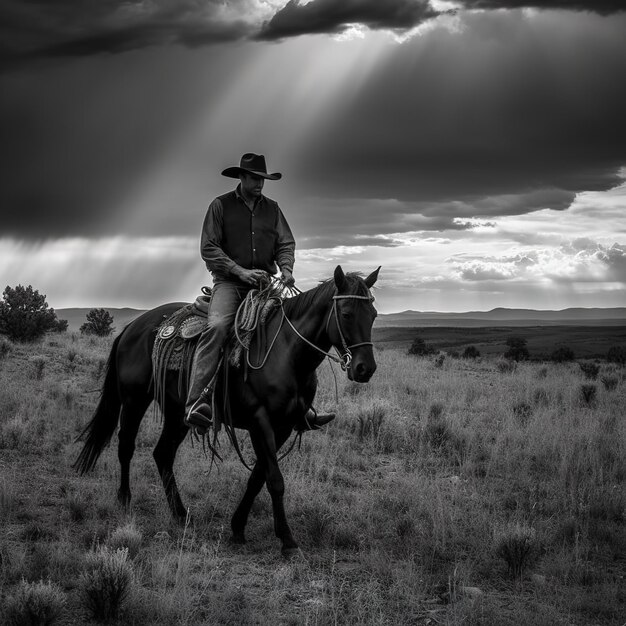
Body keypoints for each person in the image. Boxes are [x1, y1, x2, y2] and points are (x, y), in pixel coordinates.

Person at [185, 153, 333, 435]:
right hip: (230, 284)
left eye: (262, 180)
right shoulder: (220, 206)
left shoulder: (273, 210)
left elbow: (285, 243)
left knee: (291, 330)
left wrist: (286, 268)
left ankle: (301, 406)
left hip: (265, 285)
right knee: (217, 327)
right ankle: (196, 401)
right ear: (241, 177)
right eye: (254, 178)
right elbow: (209, 248)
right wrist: (240, 271)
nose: (259, 184)